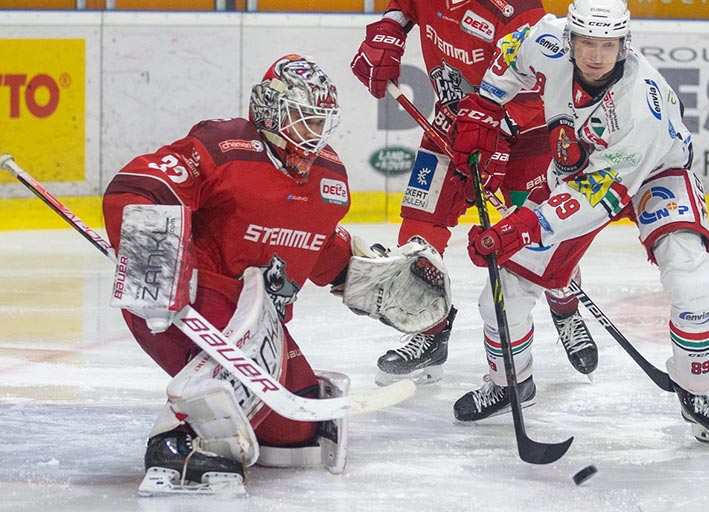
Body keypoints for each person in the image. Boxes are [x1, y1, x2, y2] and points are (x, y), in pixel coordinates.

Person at [102, 54, 452, 495]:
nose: (313, 135)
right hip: (182, 301)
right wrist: (154, 260)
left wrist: (365, 275)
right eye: (303, 120)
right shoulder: (223, 146)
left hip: (257, 321)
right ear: (269, 109)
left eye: (320, 122)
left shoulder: (329, 177)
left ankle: (234, 418)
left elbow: (319, 243)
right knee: (230, 390)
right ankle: (177, 441)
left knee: (299, 428)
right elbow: (139, 186)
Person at [447, 0, 709, 447]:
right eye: (587, 42)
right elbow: (512, 52)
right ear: (571, 38)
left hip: (655, 174)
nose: (597, 54)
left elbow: (600, 195)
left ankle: (697, 393)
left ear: (625, 43)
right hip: (578, 171)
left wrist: (528, 224)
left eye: (608, 44)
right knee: (501, 292)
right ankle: (511, 382)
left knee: (691, 280)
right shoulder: (548, 42)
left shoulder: (638, 104)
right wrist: (484, 107)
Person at [351, 0, 599, 386]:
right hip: (449, 122)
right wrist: (385, 37)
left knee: (538, 234)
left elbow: (540, 84)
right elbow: (404, 2)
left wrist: (494, 133)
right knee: (419, 226)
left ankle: (565, 306)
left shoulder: (519, 5)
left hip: (521, 136)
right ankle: (431, 330)